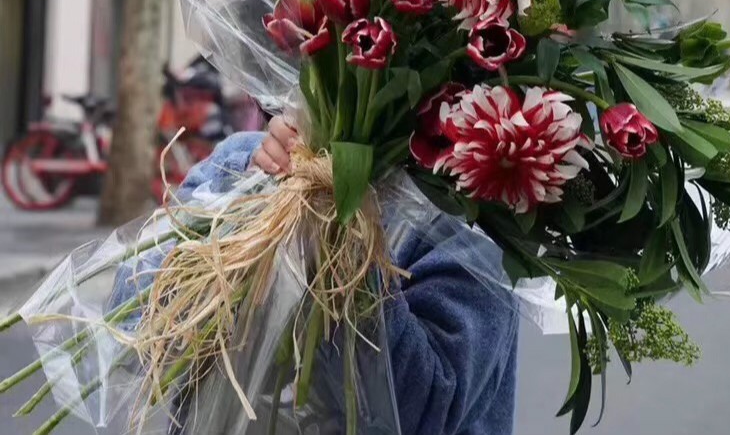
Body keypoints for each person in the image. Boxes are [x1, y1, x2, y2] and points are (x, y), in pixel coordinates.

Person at [164, 117, 521, 435]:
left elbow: (422, 413)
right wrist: (252, 197)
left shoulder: (466, 215)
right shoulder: (243, 161)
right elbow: (140, 325)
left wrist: (346, 235)